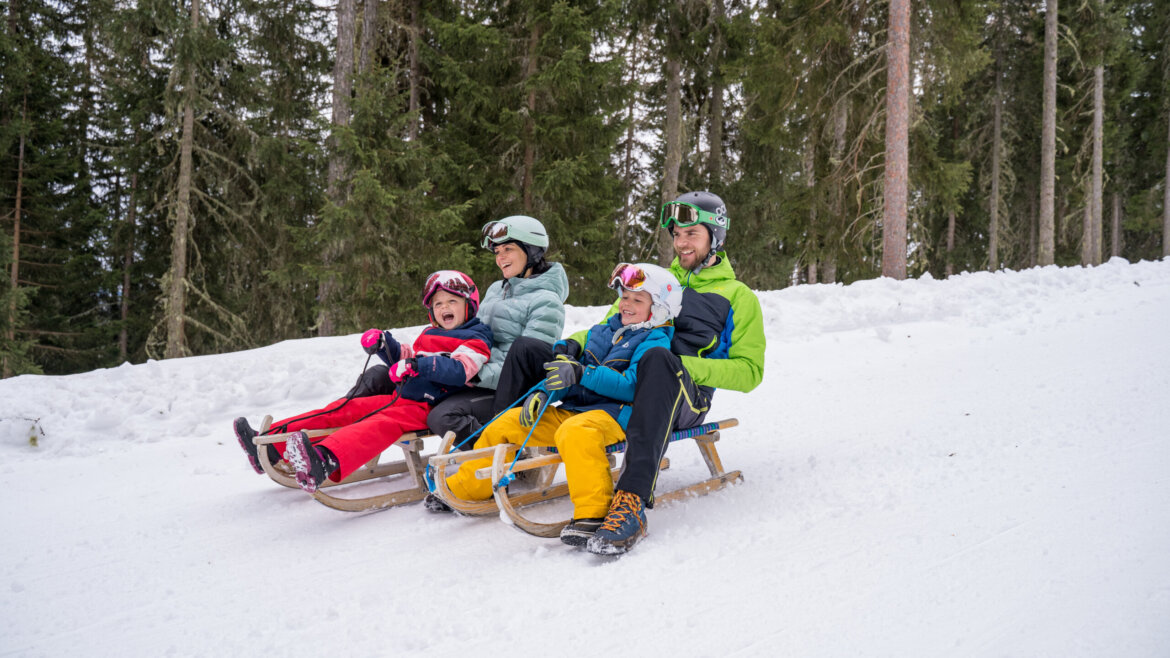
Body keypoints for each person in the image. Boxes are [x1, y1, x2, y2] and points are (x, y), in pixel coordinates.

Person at [490, 191, 766, 555]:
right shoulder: (655, 280)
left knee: (655, 358)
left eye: (692, 235)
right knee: (529, 350)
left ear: (715, 237)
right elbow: (607, 326)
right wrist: (569, 349)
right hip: (626, 382)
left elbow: (750, 372)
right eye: (677, 235)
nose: (681, 244)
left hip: (685, 395)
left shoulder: (737, 296)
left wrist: (676, 364)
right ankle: (507, 453)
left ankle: (632, 500)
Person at [438, 263, 683, 548]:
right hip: (576, 409)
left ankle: (593, 513)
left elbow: (631, 385)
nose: (626, 304)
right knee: (508, 421)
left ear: (661, 310)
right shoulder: (603, 331)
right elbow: (568, 369)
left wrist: (583, 374)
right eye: (624, 296)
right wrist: (543, 392)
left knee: (576, 432)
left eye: (637, 300)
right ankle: (465, 488)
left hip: (614, 416)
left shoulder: (654, 339)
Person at [232, 270, 493, 493]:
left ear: (469, 305)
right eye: (438, 304)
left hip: (428, 406)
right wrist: (384, 344)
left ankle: (325, 460)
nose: (444, 307)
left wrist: (418, 366)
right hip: (400, 397)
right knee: (344, 408)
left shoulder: (476, 337)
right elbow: (407, 355)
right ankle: (269, 446)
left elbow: (460, 370)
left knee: (378, 425)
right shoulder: (430, 333)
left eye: (451, 301)